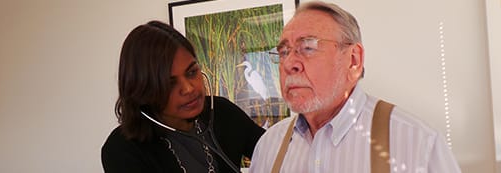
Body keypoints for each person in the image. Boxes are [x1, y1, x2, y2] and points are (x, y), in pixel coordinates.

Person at [249, 1, 461, 173]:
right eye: (284, 51)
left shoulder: (417, 144)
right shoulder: (269, 146)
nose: (289, 64)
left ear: (353, 60)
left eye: (307, 47)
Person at [101, 20, 265, 173]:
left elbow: (276, 150)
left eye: (192, 72)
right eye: (170, 83)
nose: (188, 88)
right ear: (143, 91)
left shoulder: (223, 112)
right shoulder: (122, 150)